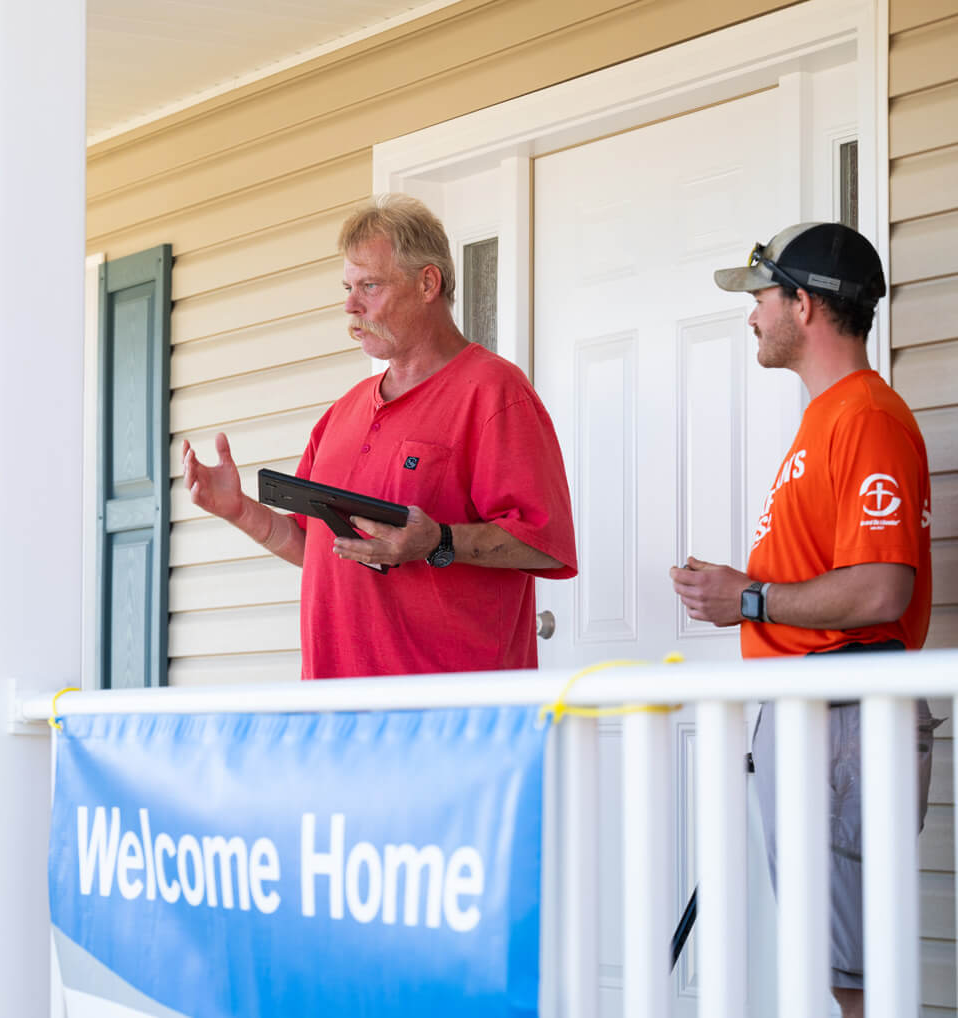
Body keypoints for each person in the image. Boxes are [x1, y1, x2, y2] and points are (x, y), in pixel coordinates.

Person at [669, 222, 935, 1017]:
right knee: (840, 967)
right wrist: (748, 594)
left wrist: (747, 599)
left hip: (845, 718)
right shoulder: (828, 420)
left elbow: (881, 591)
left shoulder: (864, 419)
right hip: (816, 715)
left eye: (759, 296)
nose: (750, 314)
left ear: (804, 304)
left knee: (857, 979)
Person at [183, 194, 577, 677]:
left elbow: (544, 542)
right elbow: (321, 550)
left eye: (369, 285)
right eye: (347, 287)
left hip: (453, 720)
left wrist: (439, 541)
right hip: (337, 714)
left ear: (427, 282)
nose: (350, 305)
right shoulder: (342, 413)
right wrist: (242, 511)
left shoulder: (495, 391)